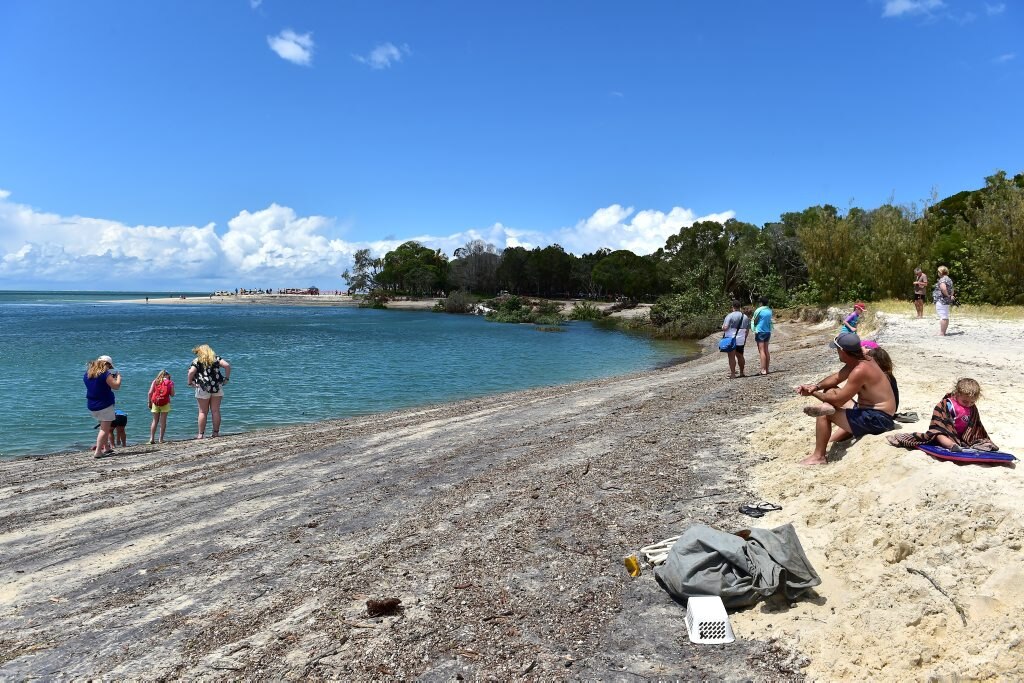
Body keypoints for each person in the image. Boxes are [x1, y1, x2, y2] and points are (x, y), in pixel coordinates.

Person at [794, 333, 896, 465]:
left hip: (878, 420)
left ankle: (818, 457)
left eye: (837, 350)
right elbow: (836, 378)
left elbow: (838, 401)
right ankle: (829, 412)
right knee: (830, 391)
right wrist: (815, 387)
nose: (836, 353)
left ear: (842, 351)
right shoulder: (864, 359)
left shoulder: (860, 370)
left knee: (824, 414)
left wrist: (812, 394)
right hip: (871, 412)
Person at [887, 378, 997, 452]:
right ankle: (952, 446)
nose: (969, 404)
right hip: (945, 433)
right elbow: (938, 423)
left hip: (963, 436)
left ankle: (971, 444)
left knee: (979, 438)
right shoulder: (947, 404)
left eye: (972, 402)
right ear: (956, 394)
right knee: (938, 435)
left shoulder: (972, 408)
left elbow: (976, 425)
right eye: (965, 402)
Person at [188, 344, 231, 439]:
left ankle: (201, 434)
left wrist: (190, 382)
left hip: (203, 387)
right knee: (215, 410)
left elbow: (191, 372)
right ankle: (215, 432)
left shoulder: (197, 360)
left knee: (202, 412)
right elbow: (227, 366)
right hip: (216, 387)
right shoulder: (216, 359)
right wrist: (226, 378)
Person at [84, 355, 122, 457]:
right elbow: (116, 386)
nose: (109, 369)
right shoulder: (105, 374)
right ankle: (98, 452)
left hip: (92, 405)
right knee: (104, 429)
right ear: (106, 364)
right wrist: (118, 377)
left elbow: (98, 386)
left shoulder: (88, 374)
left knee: (102, 425)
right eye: (109, 367)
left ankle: (106, 447)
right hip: (104, 405)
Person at [720, 300, 750, 379]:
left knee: (731, 356)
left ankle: (733, 374)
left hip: (731, 338)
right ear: (739, 307)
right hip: (741, 338)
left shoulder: (729, 316)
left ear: (732, 307)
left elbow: (725, 328)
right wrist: (744, 339)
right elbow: (747, 330)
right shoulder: (745, 317)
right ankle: (742, 372)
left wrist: (722, 327)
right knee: (740, 356)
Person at [147, 369, 175, 444]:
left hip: (155, 402)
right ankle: (161, 439)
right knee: (163, 421)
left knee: (155, 421)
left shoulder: (155, 381)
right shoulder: (170, 382)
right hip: (165, 403)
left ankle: (151, 439)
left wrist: (149, 402)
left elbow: (150, 393)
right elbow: (172, 394)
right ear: (168, 376)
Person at [751, 296, 773, 375]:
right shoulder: (769, 310)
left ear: (761, 303)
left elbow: (754, 320)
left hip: (760, 331)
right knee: (766, 350)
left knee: (761, 351)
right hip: (768, 331)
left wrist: (753, 329)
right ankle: (767, 369)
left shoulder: (758, 310)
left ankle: (763, 369)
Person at [933, 265, 954, 336]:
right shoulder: (949, 279)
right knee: (945, 316)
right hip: (947, 301)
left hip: (941, 300)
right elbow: (952, 289)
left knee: (943, 316)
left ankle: (942, 333)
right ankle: (943, 332)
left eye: (938, 272)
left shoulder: (942, 280)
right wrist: (950, 296)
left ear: (940, 272)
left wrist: (947, 295)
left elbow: (943, 288)